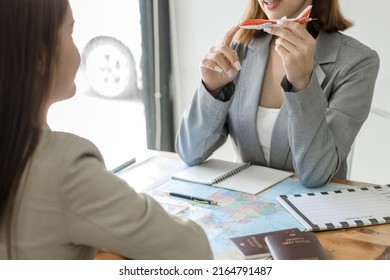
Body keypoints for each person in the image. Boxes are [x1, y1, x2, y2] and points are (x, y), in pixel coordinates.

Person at [0, 0, 213, 260]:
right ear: (42, 58)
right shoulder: (64, 167)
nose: (77, 50)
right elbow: (193, 251)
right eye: (70, 33)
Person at [175, 0, 380, 187]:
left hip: (317, 214)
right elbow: (190, 153)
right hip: (249, 209)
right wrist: (212, 90)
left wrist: (303, 84)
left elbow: (315, 174)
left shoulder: (358, 62)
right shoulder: (239, 49)